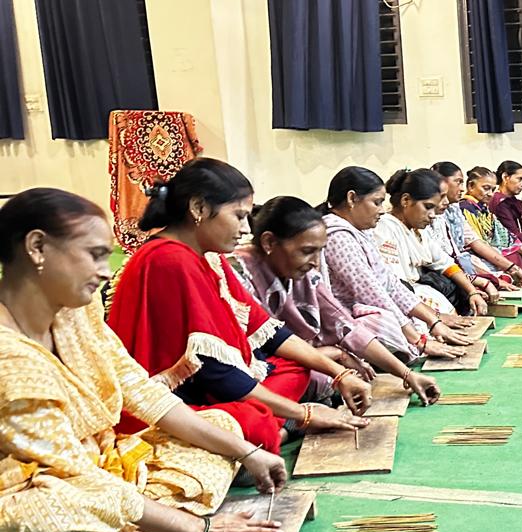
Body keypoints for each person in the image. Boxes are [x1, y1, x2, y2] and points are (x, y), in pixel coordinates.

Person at [0, 188, 290, 532]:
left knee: (227, 429)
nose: (105, 272)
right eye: (95, 255)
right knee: (55, 522)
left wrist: (246, 452)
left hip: (102, 471)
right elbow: (72, 477)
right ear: (37, 247)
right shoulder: (8, 356)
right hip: (32, 495)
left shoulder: (75, 311)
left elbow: (143, 391)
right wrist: (200, 530)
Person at [108, 159, 372, 457]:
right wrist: (304, 414)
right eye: (239, 216)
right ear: (199, 209)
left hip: (214, 384)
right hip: (172, 401)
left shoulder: (207, 256)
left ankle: (275, 425)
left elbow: (267, 330)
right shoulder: (168, 261)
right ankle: (279, 431)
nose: (246, 229)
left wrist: (339, 374)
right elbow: (212, 371)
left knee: (296, 368)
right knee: (249, 423)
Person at [232, 196, 442, 405]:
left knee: (327, 368)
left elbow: (344, 324)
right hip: (256, 370)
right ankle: (294, 422)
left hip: (294, 359)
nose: (315, 263)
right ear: (269, 242)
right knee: (309, 375)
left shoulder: (305, 274)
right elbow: (258, 355)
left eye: (319, 252)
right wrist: (333, 356)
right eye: (307, 252)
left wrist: (406, 374)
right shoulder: (238, 274)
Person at [317, 166, 471, 361]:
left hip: (371, 306)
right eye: (376, 202)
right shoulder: (338, 236)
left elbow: (390, 283)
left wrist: (433, 322)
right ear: (351, 198)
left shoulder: (360, 231)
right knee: (385, 320)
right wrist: (419, 340)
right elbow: (372, 293)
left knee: (412, 315)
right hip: (342, 319)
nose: (382, 210)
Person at [373, 168, 488, 316]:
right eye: (427, 207)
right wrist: (436, 320)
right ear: (405, 200)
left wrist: (472, 292)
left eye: (434, 208)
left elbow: (445, 263)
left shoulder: (419, 230)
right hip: (402, 299)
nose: (432, 215)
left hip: (418, 291)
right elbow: (396, 287)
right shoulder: (385, 228)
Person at [431, 161, 522, 290]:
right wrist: (485, 281)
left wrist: (511, 267)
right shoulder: (463, 207)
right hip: (449, 266)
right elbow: (448, 256)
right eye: (458, 182)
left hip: (459, 261)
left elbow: (475, 240)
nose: (462, 188)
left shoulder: (454, 208)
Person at [459, 166, 522, 277]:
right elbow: (477, 245)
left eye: (493, 190)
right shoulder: (465, 208)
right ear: (470, 186)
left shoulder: (484, 210)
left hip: (490, 254)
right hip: (475, 256)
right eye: (486, 188)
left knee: (514, 252)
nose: (490, 194)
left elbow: (509, 237)